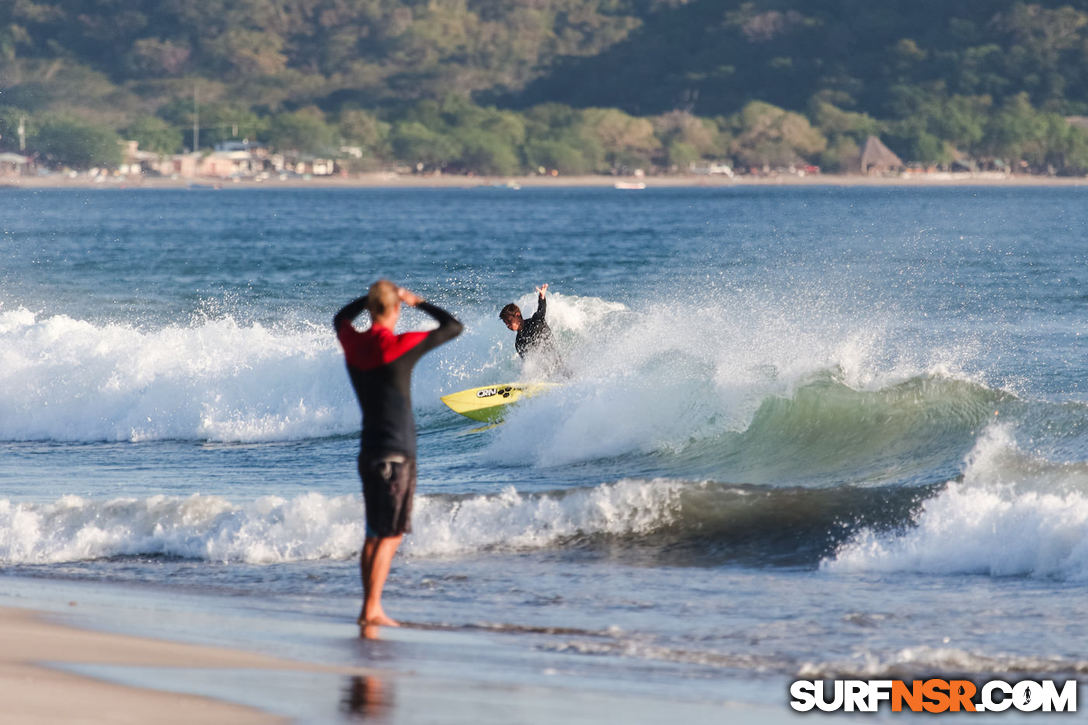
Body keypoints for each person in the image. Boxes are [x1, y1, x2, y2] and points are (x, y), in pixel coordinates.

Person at [334, 280, 462, 628]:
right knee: (390, 535)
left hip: (369, 450)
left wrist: (376, 297)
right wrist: (414, 299)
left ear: (371, 306)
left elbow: (340, 318)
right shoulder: (398, 346)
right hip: (397, 454)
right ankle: (371, 610)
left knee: (375, 532)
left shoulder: (354, 344)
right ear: (395, 309)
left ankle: (368, 606)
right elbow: (453, 327)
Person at [499, 283, 569, 377]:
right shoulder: (518, 342)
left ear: (518, 315)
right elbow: (528, 365)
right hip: (544, 373)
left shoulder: (535, 321)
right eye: (505, 323)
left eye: (509, 321)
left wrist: (542, 297)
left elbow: (541, 310)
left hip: (559, 367)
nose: (507, 325)